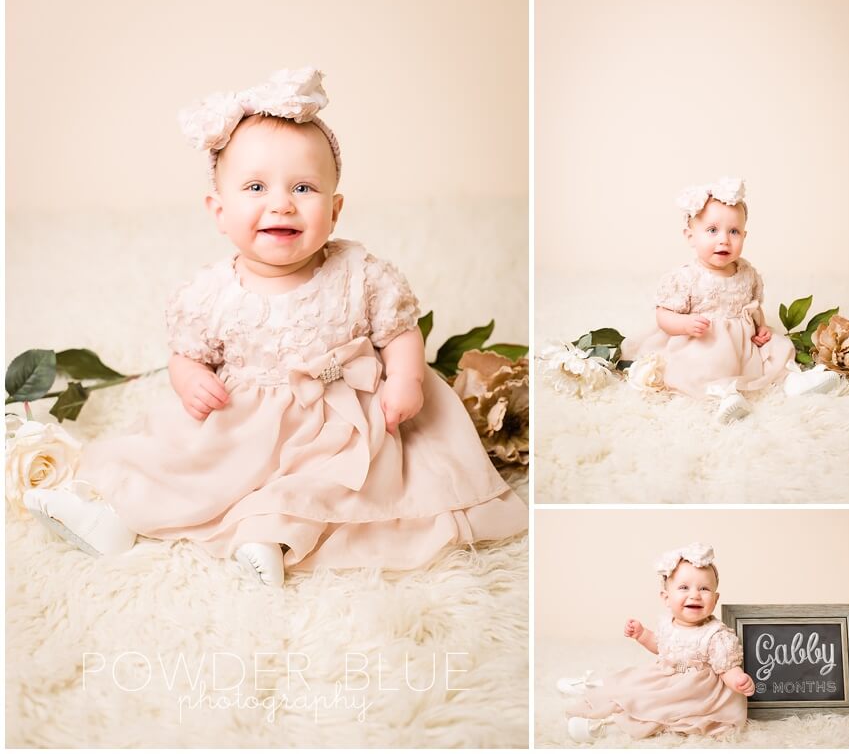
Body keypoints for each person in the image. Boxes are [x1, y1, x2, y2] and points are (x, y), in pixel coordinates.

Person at [23, 68, 528, 586]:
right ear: (219, 211)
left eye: (303, 187)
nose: (281, 202)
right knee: (178, 462)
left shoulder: (360, 273)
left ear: (334, 211)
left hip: (342, 422)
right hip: (244, 421)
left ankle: (269, 539)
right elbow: (187, 352)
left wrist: (405, 379)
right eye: (256, 186)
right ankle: (110, 518)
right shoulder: (210, 293)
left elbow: (398, 331)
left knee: (335, 484)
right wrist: (190, 379)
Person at [621, 178, 840, 423]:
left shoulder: (747, 272)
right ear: (690, 236)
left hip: (744, 342)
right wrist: (684, 325)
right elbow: (663, 315)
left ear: (744, 235)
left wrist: (762, 329)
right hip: (703, 340)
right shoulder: (686, 278)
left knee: (778, 346)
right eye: (712, 230)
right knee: (707, 363)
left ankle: (793, 380)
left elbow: (752, 308)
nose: (724, 239)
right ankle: (723, 396)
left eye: (734, 231)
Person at [559, 543, 753, 742]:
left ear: (715, 598)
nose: (694, 594)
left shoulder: (717, 635)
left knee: (657, 706)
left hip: (693, 691)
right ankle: (600, 689)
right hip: (664, 675)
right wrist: (642, 635)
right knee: (634, 683)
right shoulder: (668, 624)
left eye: (704, 589)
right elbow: (660, 647)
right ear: (666, 598)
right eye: (684, 587)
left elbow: (726, 667)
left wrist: (738, 680)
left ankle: (612, 726)